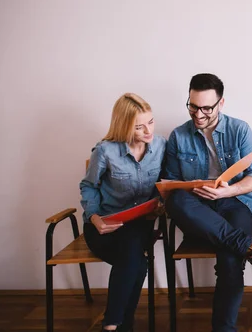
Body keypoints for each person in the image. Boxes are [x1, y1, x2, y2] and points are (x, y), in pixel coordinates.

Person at [163, 73, 252, 332]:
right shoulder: (178, 136)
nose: (198, 114)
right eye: (193, 106)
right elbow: (171, 183)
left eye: (206, 108)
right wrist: (191, 188)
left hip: (236, 204)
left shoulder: (239, 129)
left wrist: (228, 192)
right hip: (198, 211)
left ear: (221, 103)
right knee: (176, 201)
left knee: (230, 259)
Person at [80, 93, 166, 332]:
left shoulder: (160, 146)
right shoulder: (106, 151)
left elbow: (166, 183)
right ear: (124, 126)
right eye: (139, 127)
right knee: (137, 262)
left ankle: (112, 324)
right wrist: (95, 218)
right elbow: (88, 186)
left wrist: (161, 202)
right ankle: (119, 324)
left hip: (139, 225)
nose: (148, 131)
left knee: (133, 249)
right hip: (104, 226)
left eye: (150, 122)